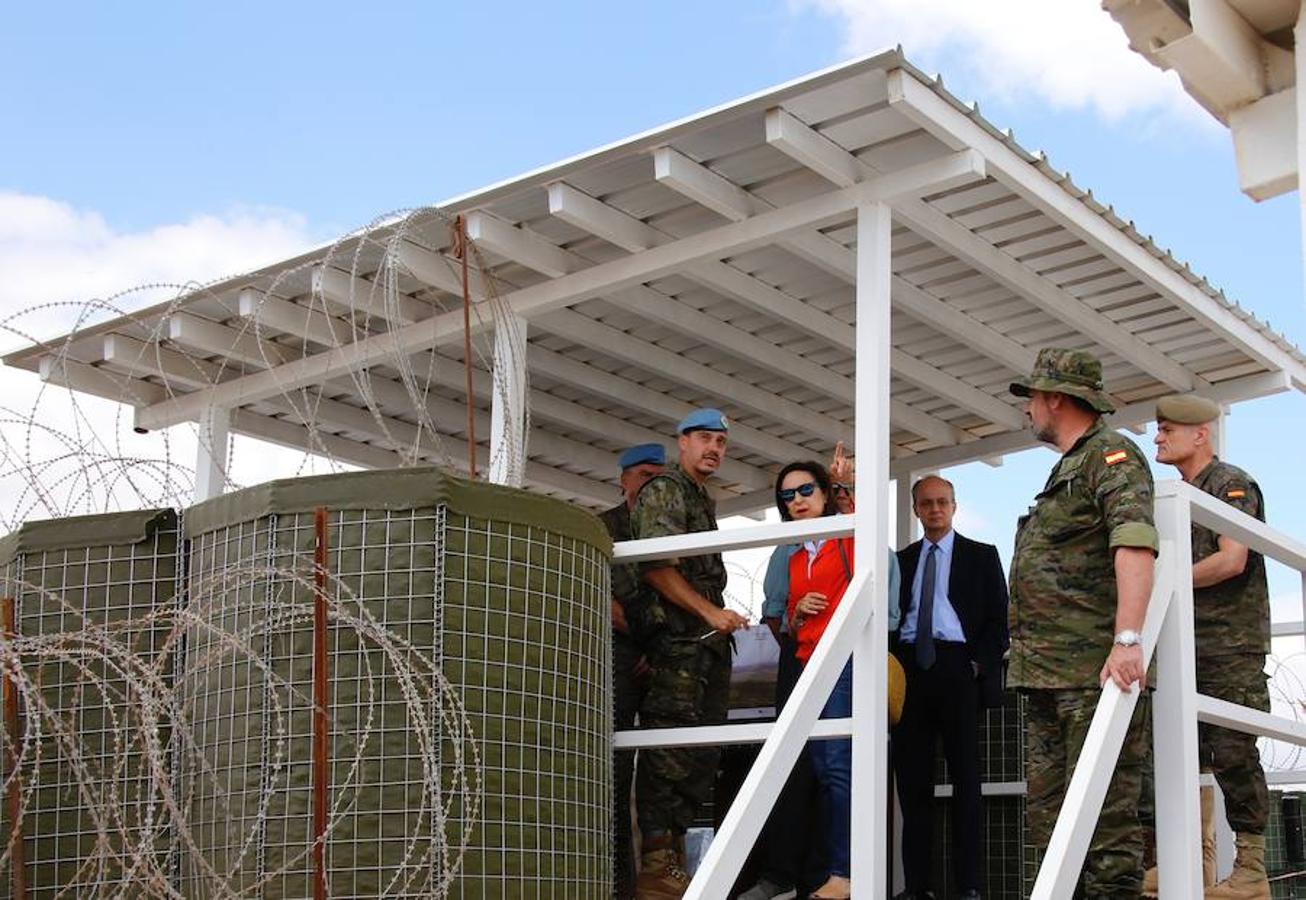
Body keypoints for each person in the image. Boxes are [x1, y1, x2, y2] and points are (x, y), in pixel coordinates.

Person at [1007, 347, 1158, 897]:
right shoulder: (1065, 467)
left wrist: (1127, 640)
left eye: (1033, 401)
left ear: (1054, 398)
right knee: (1050, 827)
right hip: (1045, 673)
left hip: (1093, 674)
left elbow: (1135, 543)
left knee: (1106, 827)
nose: (1028, 412)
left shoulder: (1111, 455)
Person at [1144, 394, 1271, 899]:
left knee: (1235, 752)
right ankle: (1189, 863)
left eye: (1167, 429)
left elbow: (1232, 559)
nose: (1158, 437)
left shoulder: (1228, 484)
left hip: (1229, 644)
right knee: (1175, 752)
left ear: (1201, 434)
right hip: (1181, 644)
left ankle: (1251, 871)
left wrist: (1164, 582)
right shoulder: (1172, 496)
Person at [630, 408, 749, 900]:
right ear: (681, 442)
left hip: (703, 651)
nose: (713, 449)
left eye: (720, 441)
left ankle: (673, 865)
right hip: (677, 649)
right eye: (704, 438)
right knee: (668, 758)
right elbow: (657, 567)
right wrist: (709, 613)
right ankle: (657, 870)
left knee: (698, 758)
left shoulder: (701, 496)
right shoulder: (667, 490)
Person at [780, 446, 901, 900]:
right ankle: (840, 872)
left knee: (837, 769)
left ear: (825, 493)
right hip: (810, 666)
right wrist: (796, 614)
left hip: (846, 663)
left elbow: (864, 523)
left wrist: (845, 484)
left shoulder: (845, 536)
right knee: (823, 768)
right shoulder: (795, 558)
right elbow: (793, 618)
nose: (797, 499)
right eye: (788, 494)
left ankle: (845, 874)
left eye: (807, 489)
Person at [891, 475, 1008, 900]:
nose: (935, 509)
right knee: (911, 785)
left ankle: (969, 887)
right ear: (916, 508)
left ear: (955, 507)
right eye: (927, 503)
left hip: (959, 669)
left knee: (967, 783)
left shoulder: (981, 556)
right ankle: (916, 887)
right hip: (909, 672)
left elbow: (999, 621)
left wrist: (976, 665)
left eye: (943, 502)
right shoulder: (899, 561)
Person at [599, 443, 666, 900]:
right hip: (619, 661)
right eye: (643, 476)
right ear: (623, 479)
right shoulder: (603, 528)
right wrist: (647, 644)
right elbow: (599, 598)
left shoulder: (670, 524)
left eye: (658, 478)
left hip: (663, 661)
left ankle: (662, 880)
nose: (650, 486)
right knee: (615, 777)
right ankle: (619, 885)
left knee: (666, 775)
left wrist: (662, 651)